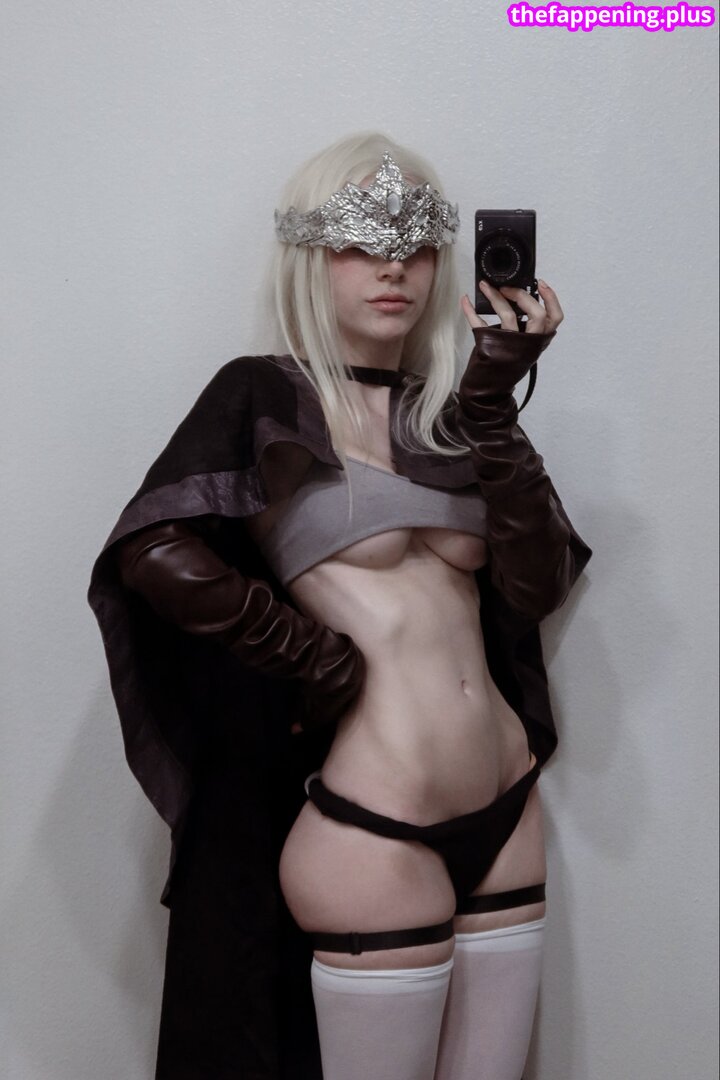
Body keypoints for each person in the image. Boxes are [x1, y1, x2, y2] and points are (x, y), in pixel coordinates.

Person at [87, 132, 591, 1080]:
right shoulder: (264, 398)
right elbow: (150, 548)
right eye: (359, 239)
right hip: (374, 820)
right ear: (309, 255)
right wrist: (311, 656)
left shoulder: (452, 415)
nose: (393, 265)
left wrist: (493, 404)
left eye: (417, 241)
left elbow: (536, 585)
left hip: (507, 806)